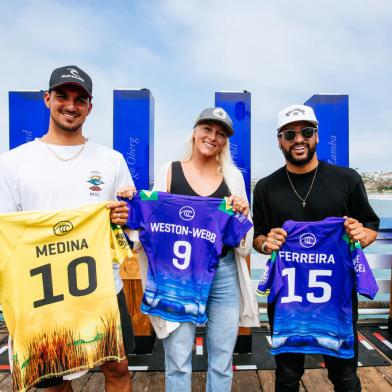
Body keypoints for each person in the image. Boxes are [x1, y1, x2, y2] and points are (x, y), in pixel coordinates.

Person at [0, 65, 134, 392]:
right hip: (42, 293)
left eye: (80, 99)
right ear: (47, 99)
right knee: (52, 382)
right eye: (62, 96)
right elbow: (7, 236)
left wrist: (126, 219)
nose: (70, 105)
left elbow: (130, 231)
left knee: (118, 369)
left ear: (90, 107)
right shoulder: (13, 163)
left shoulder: (112, 160)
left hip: (102, 286)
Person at [252, 104, 380, 392]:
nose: (299, 139)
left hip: (337, 299)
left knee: (345, 376)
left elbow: (370, 226)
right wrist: (265, 242)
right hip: (287, 301)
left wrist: (362, 234)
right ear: (279, 140)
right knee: (286, 376)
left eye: (306, 132)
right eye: (290, 134)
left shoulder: (346, 179)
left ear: (317, 136)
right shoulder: (265, 188)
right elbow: (258, 237)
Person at [136, 107, 259, 392]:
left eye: (220, 133)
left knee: (222, 360)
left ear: (225, 141)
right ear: (194, 131)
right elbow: (152, 221)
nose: (212, 137)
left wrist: (243, 214)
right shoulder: (170, 170)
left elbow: (246, 242)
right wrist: (132, 203)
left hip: (223, 273)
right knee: (178, 360)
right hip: (177, 276)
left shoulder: (233, 177)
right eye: (207, 129)